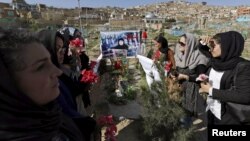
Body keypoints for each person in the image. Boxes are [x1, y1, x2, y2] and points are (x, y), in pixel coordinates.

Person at [0, 28, 84, 140]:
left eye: (50, 61)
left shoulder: (51, 118)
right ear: (8, 83)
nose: (57, 72)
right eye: (40, 67)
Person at [37, 29, 96, 141]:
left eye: (62, 48)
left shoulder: (57, 72)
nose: (61, 52)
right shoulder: (44, 83)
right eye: (57, 48)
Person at [199, 31, 250, 125]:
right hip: (212, 111)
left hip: (230, 117)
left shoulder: (243, 67)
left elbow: (244, 96)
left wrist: (211, 91)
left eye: (213, 45)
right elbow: (205, 51)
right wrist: (203, 42)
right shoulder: (216, 62)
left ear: (226, 46)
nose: (210, 49)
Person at [173, 33, 209, 127]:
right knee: (177, 113)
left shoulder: (199, 58)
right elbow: (177, 70)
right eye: (179, 42)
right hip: (179, 89)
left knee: (185, 117)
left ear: (190, 44)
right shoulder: (179, 56)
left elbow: (201, 79)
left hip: (190, 92)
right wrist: (174, 75)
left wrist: (186, 77)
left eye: (182, 43)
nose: (179, 45)